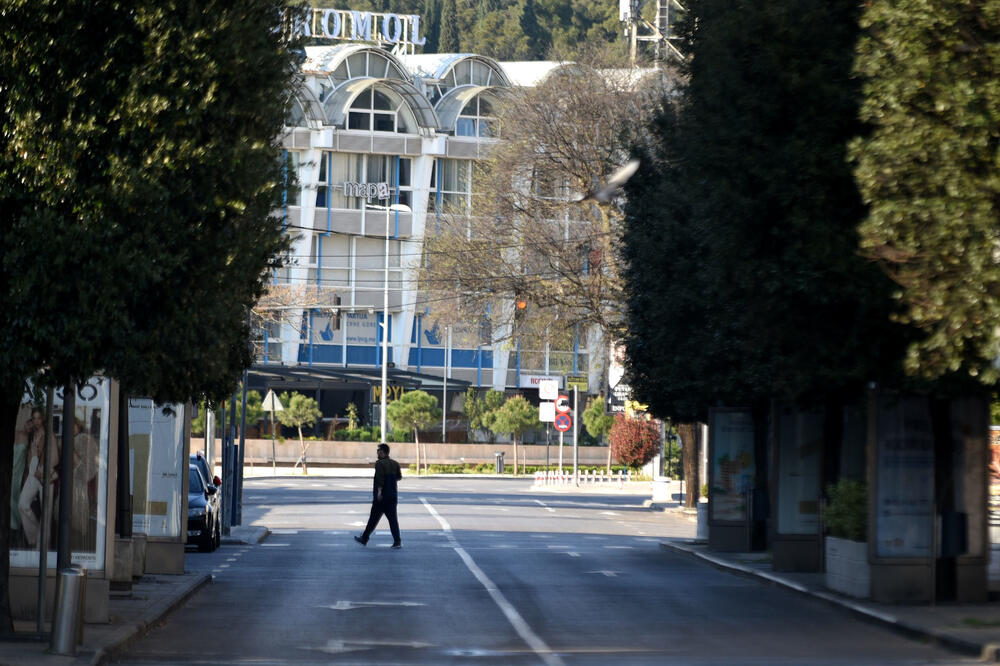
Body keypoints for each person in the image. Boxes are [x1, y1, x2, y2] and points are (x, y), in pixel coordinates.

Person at [354, 443, 402, 548]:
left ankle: (364, 538)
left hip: (381, 498)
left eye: (378, 450)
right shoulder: (395, 464)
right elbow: (399, 477)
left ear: (383, 452)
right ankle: (397, 541)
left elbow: (380, 479)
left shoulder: (380, 464)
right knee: (393, 520)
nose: (377, 452)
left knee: (373, 519)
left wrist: (379, 492)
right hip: (392, 496)